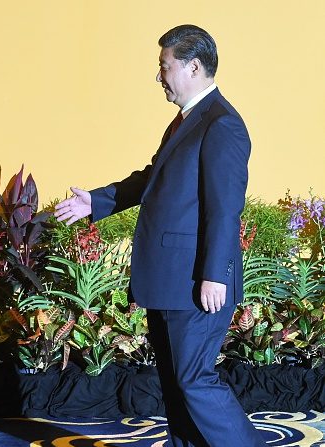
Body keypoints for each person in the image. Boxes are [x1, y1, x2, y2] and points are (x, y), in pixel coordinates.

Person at [54, 25, 267, 446]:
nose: (159, 77)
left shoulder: (222, 124)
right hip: (171, 281)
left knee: (194, 381)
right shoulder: (186, 122)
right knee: (175, 385)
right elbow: (153, 179)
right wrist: (95, 202)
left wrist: (216, 275)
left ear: (193, 66)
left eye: (163, 66)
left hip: (197, 284)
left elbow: (225, 209)